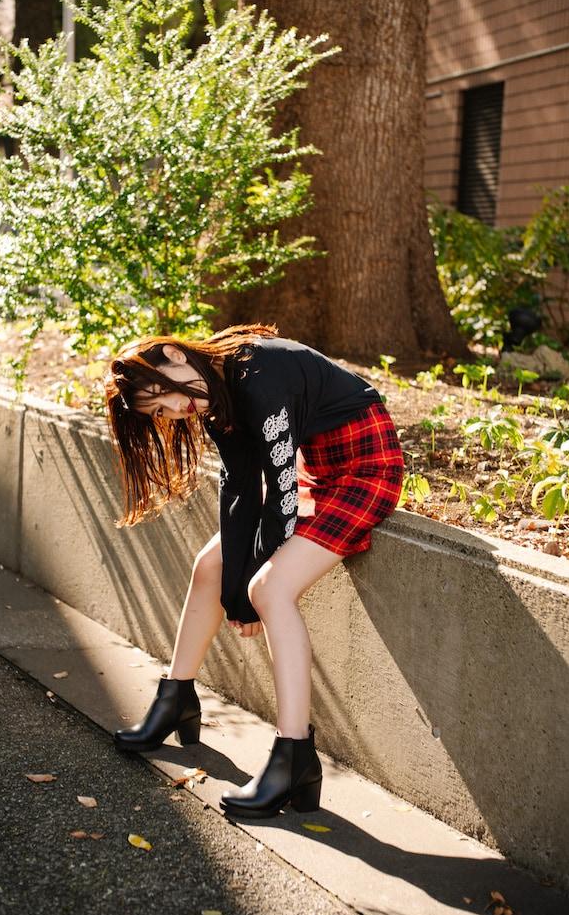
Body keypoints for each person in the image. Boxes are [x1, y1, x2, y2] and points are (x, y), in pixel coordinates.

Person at [105, 323, 404, 819]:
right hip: (317, 472)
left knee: (271, 589)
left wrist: (247, 593)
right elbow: (242, 489)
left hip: (366, 468)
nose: (175, 411)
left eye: (166, 397)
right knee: (209, 566)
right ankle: (175, 698)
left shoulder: (255, 375)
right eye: (160, 412)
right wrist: (231, 587)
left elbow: (280, 493)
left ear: (173, 354)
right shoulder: (214, 395)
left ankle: (295, 758)